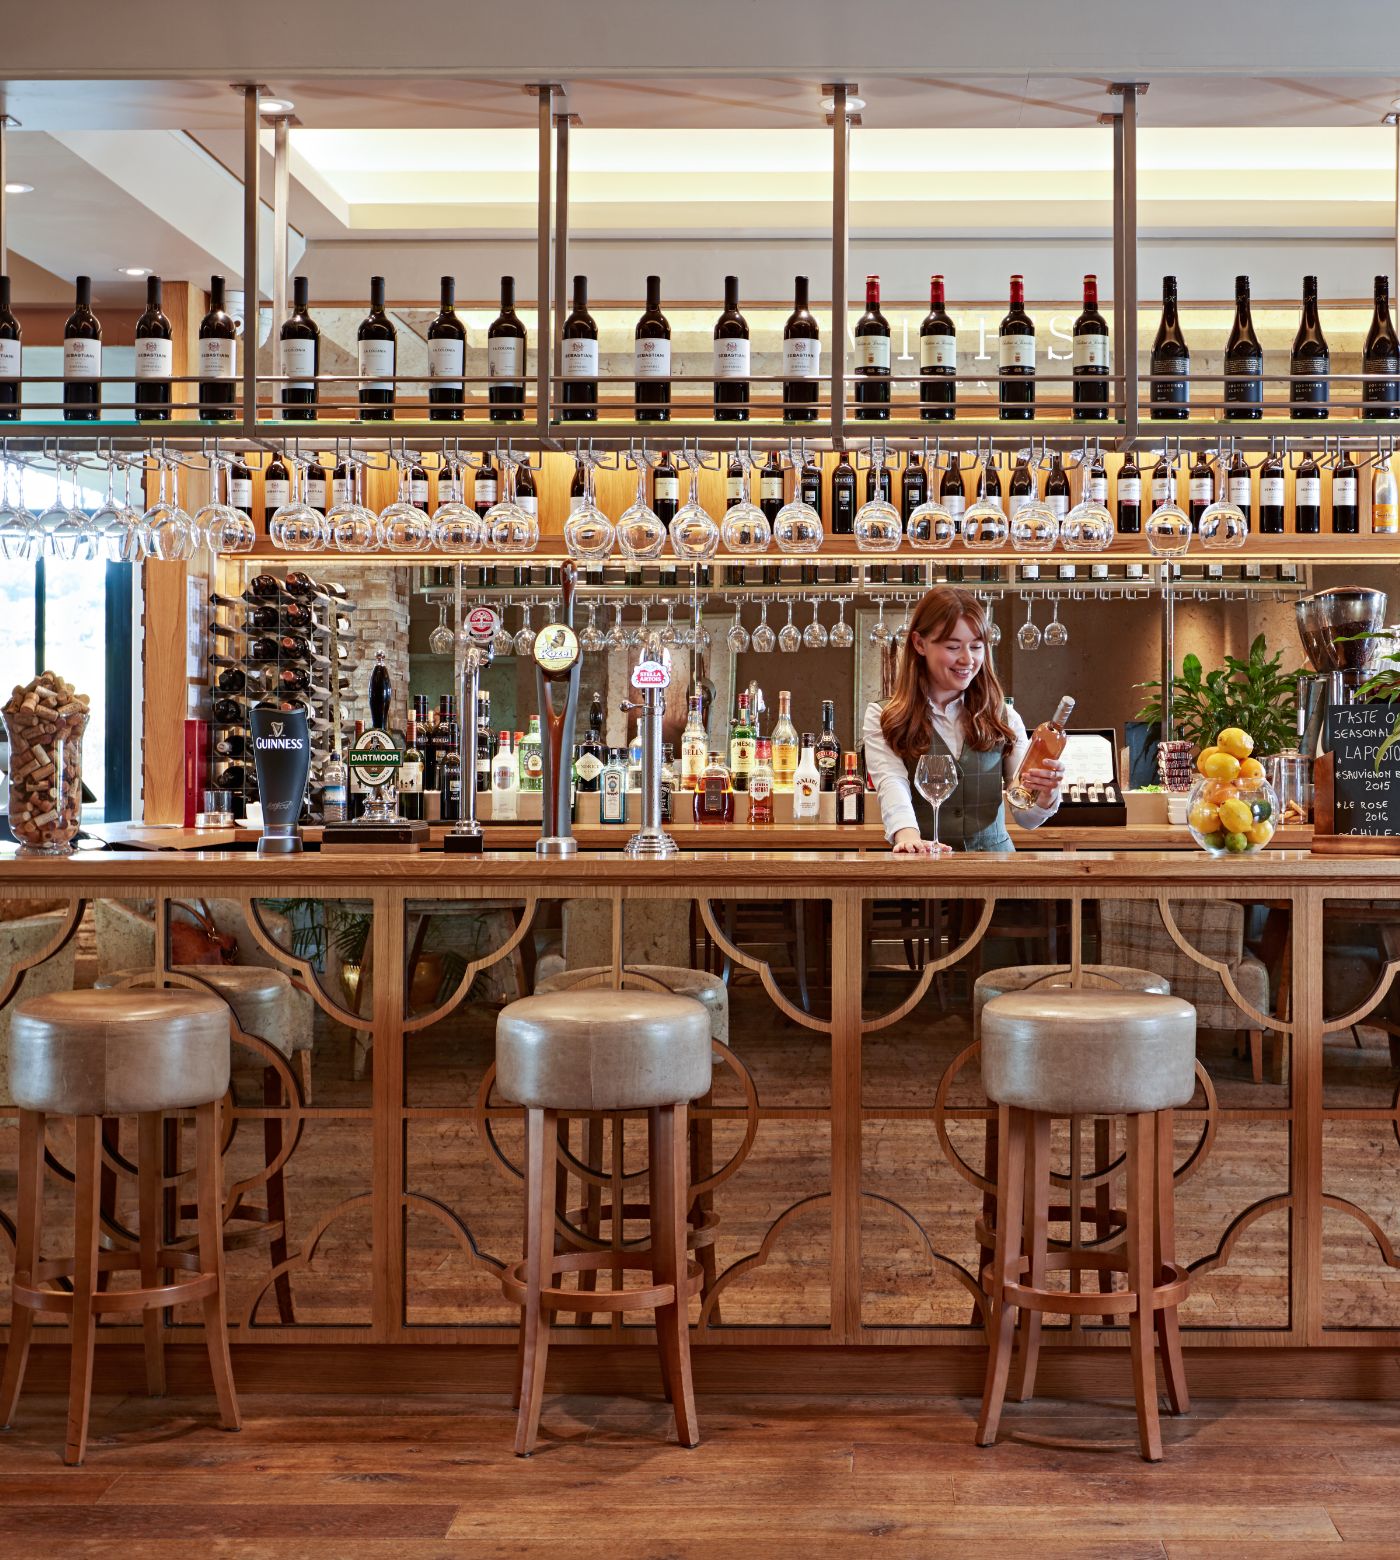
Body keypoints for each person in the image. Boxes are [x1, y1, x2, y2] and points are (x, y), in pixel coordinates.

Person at [862, 585, 1064, 854]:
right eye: (953, 646)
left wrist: (1046, 794)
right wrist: (908, 836)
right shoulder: (884, 716)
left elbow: (1025, 818)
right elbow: (892, 783)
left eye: (977, 646)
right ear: (919, 644)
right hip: (923, 869)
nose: (968, 659)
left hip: (995, 874)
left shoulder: (1003, 716)